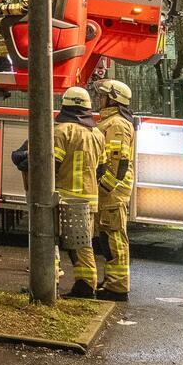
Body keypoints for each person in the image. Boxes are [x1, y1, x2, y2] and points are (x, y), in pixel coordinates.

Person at [53, 85, 107, 298]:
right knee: (83, 244)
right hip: (90, 197)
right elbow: (101, 168)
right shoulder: (97, 133)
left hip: (66, 196)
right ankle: (85, 284)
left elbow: (53, 165)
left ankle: (58, 283)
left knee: (54, 241)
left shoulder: (62, 131)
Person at [93, 78, 137, 301]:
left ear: (113, 99)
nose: (99, 99)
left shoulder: (117, 124)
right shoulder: (111, 122)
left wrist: (103, 188)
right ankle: (112, 281)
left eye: (102, 96)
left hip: (112, 193)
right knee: (108, 238)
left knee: (115, 238)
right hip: (110, 191)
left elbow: (118, 163)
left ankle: (118, 287)